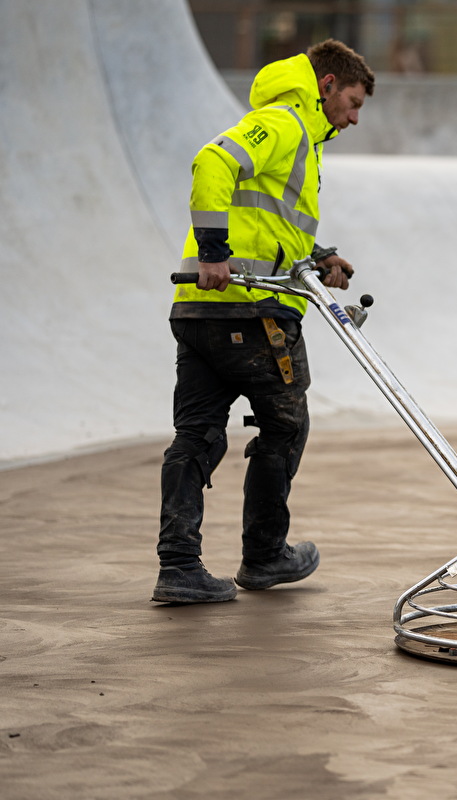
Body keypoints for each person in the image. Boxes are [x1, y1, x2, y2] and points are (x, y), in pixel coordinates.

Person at [153, 40, 375, 604]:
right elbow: (212, 162)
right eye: (351, 103)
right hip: (253, 312)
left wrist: (318, 253)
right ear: (326, 84)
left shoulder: (297, 134)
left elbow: (267, 216)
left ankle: (178, 568)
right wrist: (212, 252)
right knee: (284, 427)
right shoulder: (284, 122)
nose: (353, 119)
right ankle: (264, 556)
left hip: (203, 313)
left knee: (196, 434)